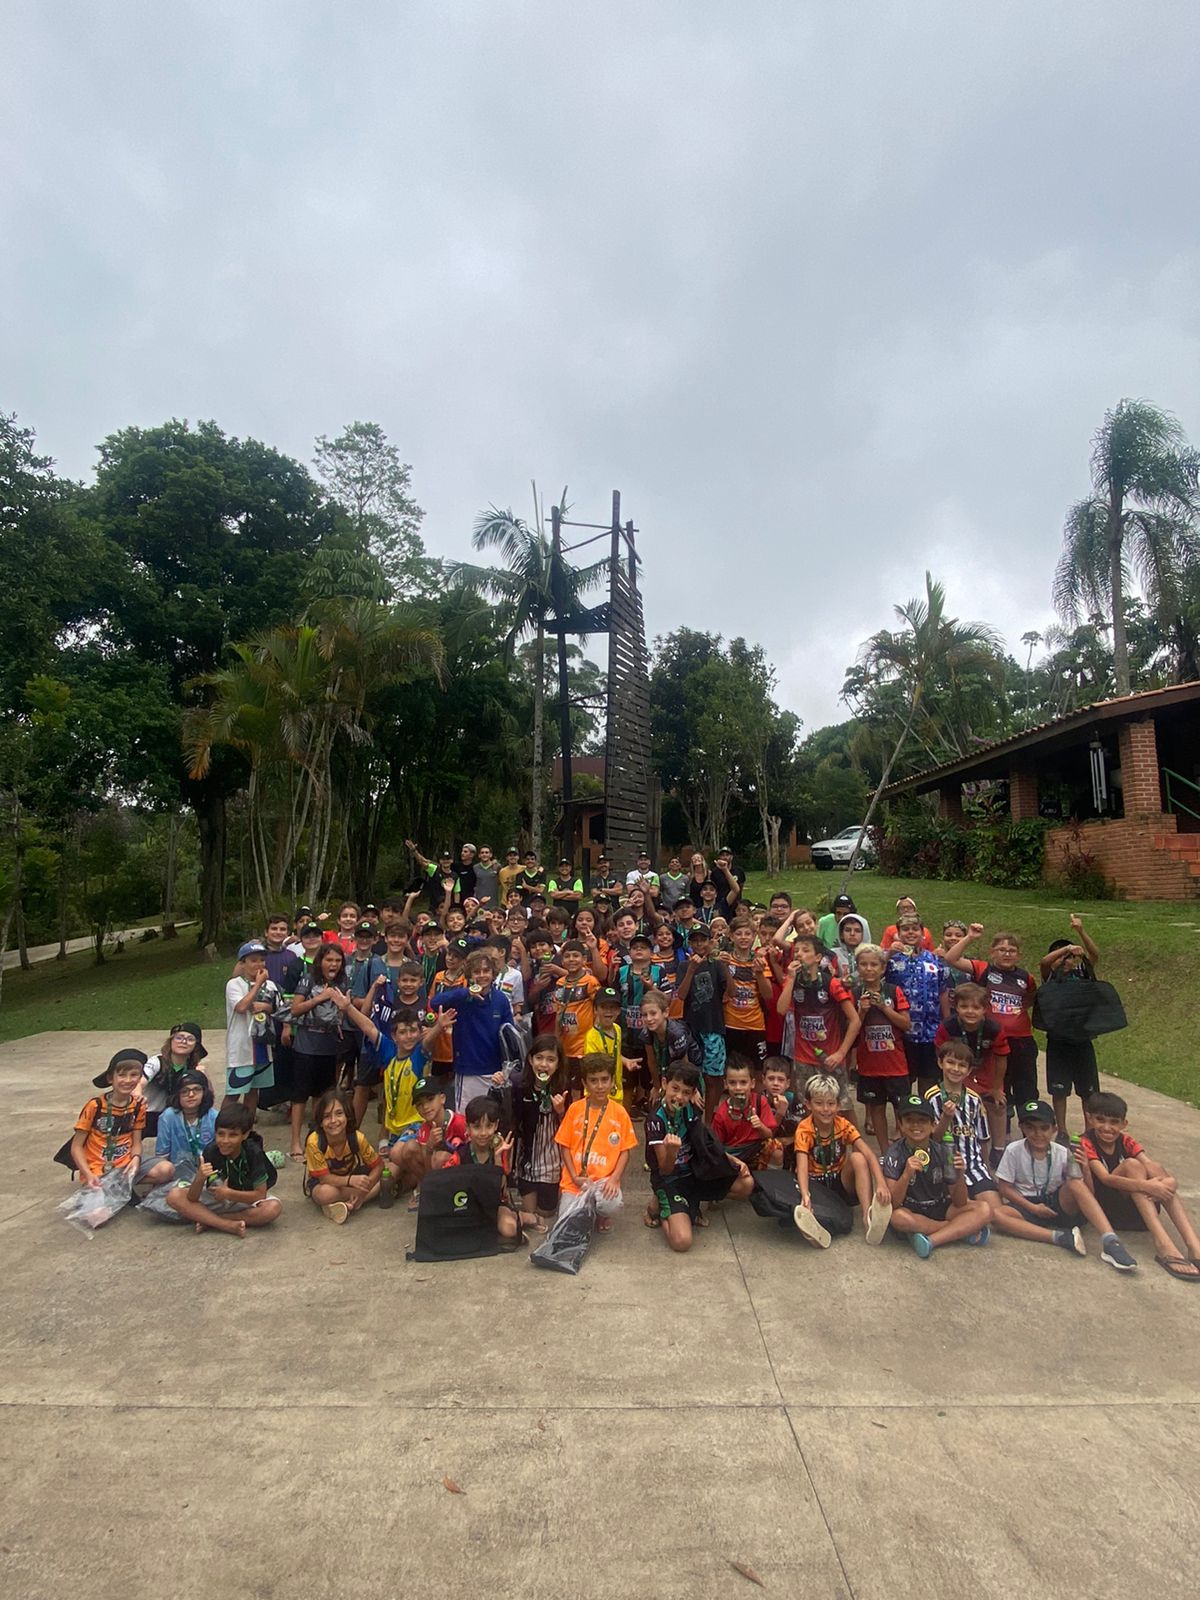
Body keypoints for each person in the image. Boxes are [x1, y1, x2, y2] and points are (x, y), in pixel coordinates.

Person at [996, 1099, 1137, 1270]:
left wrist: (1085, 1169)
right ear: (1022, 1128)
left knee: (1075, 1183)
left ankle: (1110, 1241)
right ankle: (1059, 1237)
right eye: (1030, 1127)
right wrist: (1032, 1208)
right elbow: (1004, 1188)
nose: (1037, 1133)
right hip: (1027, 1202)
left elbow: (1087, 1193)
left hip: (1057, 1202)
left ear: (1054, 1129)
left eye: (1044, 1128)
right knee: (997, 1215)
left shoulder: (1062, 1152)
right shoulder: (1014, 1150)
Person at [1078, 1091, 1200, 1280]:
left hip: (1140, 1211)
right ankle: (1163, 1244)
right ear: (1089, 1118)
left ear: (1123, 1124)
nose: (1107, 1127)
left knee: (1154, 1167)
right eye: (1100, 1120)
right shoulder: (1086, 1142)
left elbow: (1152, 1166)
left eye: (1114, 1122)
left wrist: (1169, 1182)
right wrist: (1148, 1187)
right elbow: (1105, 1178)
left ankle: (1194, 1245)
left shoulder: (1125, 1140)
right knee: (1132, 1164)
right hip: (1110, 1212)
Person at [645, 1061, 753, 1250]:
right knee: (682, 1242)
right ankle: (662, 1209)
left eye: (686, 1092)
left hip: (694, 1174)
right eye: (675, 1089)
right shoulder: (656, 1120)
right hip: (670, 1180)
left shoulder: (691, 1109)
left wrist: (732, 1160)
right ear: (664, 1084)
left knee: (746, 1184)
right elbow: (664, 1168)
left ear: (693, 1093)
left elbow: (705, 1142)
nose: (679, 1097)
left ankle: (689, 1207)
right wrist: (671, 1151)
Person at [944, 925, 1039, 1137]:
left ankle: (1030, 1133)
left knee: (1027, 1088)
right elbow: (951, 958)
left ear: (1019, 954)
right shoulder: (982, 969)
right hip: (992, 1040)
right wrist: (969, 937)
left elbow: (1030, 998)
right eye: (1002, 949)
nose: (1007, 954)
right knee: (997, 1088)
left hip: (1022, 1039)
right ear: (992, 952)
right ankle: (1000, 1135)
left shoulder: (1026, 977)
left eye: (1012, 950)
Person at [882, 1095, 992, 1258]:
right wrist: (906, 1175)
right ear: (901, 1126)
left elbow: (960, 1202)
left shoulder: (943, 1151)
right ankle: (958, 1231)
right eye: (910, 1120)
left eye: (922, 1120)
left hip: (939, 1206)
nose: (916, 1125)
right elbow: (894, 1203)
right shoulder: (895, 1153)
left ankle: (932, 1240)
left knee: (984, 1209)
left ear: (933, 1125)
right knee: (897, 1218)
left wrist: (960, 1174)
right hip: (911, 1209)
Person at [792, 1072, 893, 1247]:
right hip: (815, 1182)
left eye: (831, 1104)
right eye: (819, 1103)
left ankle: (867, 1216)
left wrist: (882, 1183)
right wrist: (805, 1195)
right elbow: (801, 1167)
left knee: (858, 1157)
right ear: (808, 1105)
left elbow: (869, 1154)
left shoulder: (843, 1124)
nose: (825, 1109)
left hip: (839, 1181)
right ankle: (813, 1229)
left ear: (838, 1105)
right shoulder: (804, 1129)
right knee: (803, 1206)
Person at [165, 1102, 282, 1236]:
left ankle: (208, 1219)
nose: (225, 1141)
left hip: (245, 1199)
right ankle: (227, 1225)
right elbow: (192, 1198)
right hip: (218, 1198)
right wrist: (200, 1178)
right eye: (221, 1134)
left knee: (272, 1209)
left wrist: (228, 1193)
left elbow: (259, 1194)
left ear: (245, 1135)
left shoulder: (253, 1153)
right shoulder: (211, 1151)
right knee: (174, 1196)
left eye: (233, 1135)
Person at [555, 1055, 638, 1229]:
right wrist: (574, 1176)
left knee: (612, 1204)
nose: (600, 1086)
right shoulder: (574, 1109)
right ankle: (586, 1211)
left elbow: (625, 1150)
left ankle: (600, 1214)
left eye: (604, 1080)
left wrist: (615, 1179)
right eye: (593, 1081)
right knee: (566, 1224)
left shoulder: (620, 1112)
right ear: (585, 1083)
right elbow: (565, 1146)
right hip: (576, 1182)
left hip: (603, 1181)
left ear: (612, 1081)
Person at [429, 948, 515, 1110]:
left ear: (493, 973)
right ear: (469, 975)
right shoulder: (461, 997)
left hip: (494, 1071)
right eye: (477, 971)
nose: (482, 975)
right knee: (466, 1119)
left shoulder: (501, 999)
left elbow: (509, 1036)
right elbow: (435, 1003)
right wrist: (464, 993)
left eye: (486, 971)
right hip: (468, 1070)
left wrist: (505, 1070)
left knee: (491, 1119)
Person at [287, 941, 350, 1161]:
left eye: (337, 960)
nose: (333, 964)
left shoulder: (343, 981)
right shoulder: (309, 979)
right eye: (329, 959)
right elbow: (295, 1009)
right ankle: (295, 1142)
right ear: (320, 961)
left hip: (330, 1047)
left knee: (323, 1097)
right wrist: (320, 998)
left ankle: (315, 1139)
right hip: (306, 1045)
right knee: (300, 1096)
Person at [1040, 914, 1102, 1135]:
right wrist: (1066, 949)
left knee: (1088, 1091)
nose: (1065, 962)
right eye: (1062, 957)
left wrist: (1081, 932)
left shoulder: (1082, 973)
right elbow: (1045, 962)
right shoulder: (1050, 977)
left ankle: (1089, 1130)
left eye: (1069, 958)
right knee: (1059, 1090)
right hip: (1058, 1041)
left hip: (1082, 1039)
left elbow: (1095, 954)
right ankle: (1063, 1130)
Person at [778, 934, 859, 1093]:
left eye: (805, 950)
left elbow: (855, 1020)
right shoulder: (793, 982)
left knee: (841, 1106)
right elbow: (781, 1010)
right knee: (807, 1105)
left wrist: (841, 1053)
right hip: (803, 1058)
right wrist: (791, 978)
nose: (799, 954)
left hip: (831, 1058)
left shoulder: (832, 983)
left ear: (818, 957)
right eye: (797, 951)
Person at [512, 1034, 569, 1231]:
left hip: (552, 1162)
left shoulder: (563, 1087)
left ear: (558, 1063)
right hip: (527, 1161)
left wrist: (561, 1112)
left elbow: (571, 1130)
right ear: (530, 1059)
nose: (544, 1065)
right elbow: (513, 1122)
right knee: (530, 1213)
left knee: (546, 1213)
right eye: (539, 1058)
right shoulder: (519, 1086)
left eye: (551, 1059)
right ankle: (521, 1212)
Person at [302, 1088, 383, 1223]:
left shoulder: (357, 1138)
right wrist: (352, 1182)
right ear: (320, 1122)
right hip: (326, 1183)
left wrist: (365, 1188)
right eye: (327, 1116)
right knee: (324, 1194)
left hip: (352, 1175)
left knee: (391, 1170)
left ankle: (344, 1204)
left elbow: (379, 1165)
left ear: (348, 1116)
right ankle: (357, 1199)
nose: (333, 1120)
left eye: (339, 1113)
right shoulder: (314, 1142)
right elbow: (324, 1179)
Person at [885, 912, 945, 1093]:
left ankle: (926, 1115)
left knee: (928, 1079)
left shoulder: (934, 959)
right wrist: (888, 954)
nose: (910, 933)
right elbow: (874, 976)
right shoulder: (891, 959)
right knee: (905, 1077)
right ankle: (907, 1115)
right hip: (903, 1030)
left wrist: (947, 1021)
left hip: (931, 1030)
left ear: (923, 933)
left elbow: (942, 990)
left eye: (915, 929)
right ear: (898, 933)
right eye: (905, 929)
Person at [675, 923, 730, 1121]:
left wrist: (725, 966)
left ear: (710, 942)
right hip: (692, 1027)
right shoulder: (683, 965)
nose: (699, 944)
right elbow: (681, 995)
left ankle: (710, 1119)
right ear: (690, 943)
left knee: (713, 1076)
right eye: (695, 940)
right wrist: (691, 969)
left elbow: (729, 992)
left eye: (703, 940)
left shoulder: (716, 965)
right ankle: (693, 1118)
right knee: (693, 1075)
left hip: (714, 1026)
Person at [70, 1049, 147, 1190]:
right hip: (97, 1167)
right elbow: (76, 1146)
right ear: (111, 1078)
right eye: (122, 1075)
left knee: (164, 1170)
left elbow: (137, 1142)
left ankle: (122, 1184)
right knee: (99, 1212)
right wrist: (88, 1174)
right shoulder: (95, 1106)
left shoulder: (138, 1106)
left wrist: (136, 1158)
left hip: (125, 1165)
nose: (128, 1080)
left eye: (134, 1075)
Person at [225, 941, 280, 1112]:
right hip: (242, 1046)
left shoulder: (270, 985)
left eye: (262, 960)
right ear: (242, 963)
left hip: (262, 1044)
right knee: (235, 1091)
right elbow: (241, 1007)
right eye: (253, 960)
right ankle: (222, 1126)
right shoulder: (234, 984)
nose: (259, 964)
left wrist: (266, 1007)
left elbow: (278, 1008)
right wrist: (257, 984)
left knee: (253, 1089)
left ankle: (246, 1127)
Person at [140, 1070, 218, 1188]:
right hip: (177, 1172)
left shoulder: (214, 1117)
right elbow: (162, 1154)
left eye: (196, 1089)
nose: (191, 1095)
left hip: (209, 1171)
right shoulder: (168, 1117)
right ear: (177, 1095)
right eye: (184, 1091)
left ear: (204, 1092)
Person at [720, 917, 771, 1070]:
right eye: (739, 934)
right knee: (730, 1070)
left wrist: (760, 974)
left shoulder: (760, 961)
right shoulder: (725, 959)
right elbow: (724, 994)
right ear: (731, 936)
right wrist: (724, 968)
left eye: (747, 934)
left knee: (757, 1070)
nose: (743, 937)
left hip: (755, 1024)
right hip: (730, 1023)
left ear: (754, 936)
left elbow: (768, 995)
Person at [711, 1057, 778, 1168]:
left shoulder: (760, 1102)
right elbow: (717, 1149)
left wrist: (759, 1126)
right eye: (732, 1083)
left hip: (755, 1150)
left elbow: (769, 1135)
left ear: (752, 1083)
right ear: (726, 1084)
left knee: (776, 1148)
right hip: (733, 1154)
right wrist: (737, 1163)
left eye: (743, 1082)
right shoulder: (721, 1114)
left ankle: (769, 1182)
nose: (738, 1088)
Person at [139, 1022, 208, 1129]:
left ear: (196, 1046)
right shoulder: (157, 1061)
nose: (183, 1042)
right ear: (171, 1041)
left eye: (190, 1039)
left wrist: (204, 1077)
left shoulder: (192, 1068)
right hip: (146, 1112)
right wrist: (138, 1094)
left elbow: (208, 1096)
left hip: (173, 1114)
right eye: (179, 1038)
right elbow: (140, 1083)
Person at [583, 986, 624, 1099]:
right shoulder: (591, 1037)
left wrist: (625, 1061)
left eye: (612, 1007)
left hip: (616, 1090)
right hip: (598, 1092)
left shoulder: (617, 1029)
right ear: (595, 1009)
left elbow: (615, 1052)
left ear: (619, 1011)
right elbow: (592, 1068)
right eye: (604, 1007)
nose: (608, 1011)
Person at [763, 1057, 800, 1169]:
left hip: (792, 1147)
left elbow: (803, 1131)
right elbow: (762, 1136)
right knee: (775, 1149)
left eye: (780, 1080)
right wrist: (780, 1113)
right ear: (763, 1080)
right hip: (767, 1149)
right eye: (771, 1078)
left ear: (787, 1083)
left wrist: (788, 1140)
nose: (775, 1083)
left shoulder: (794, 1101)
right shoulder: (759, 1101)